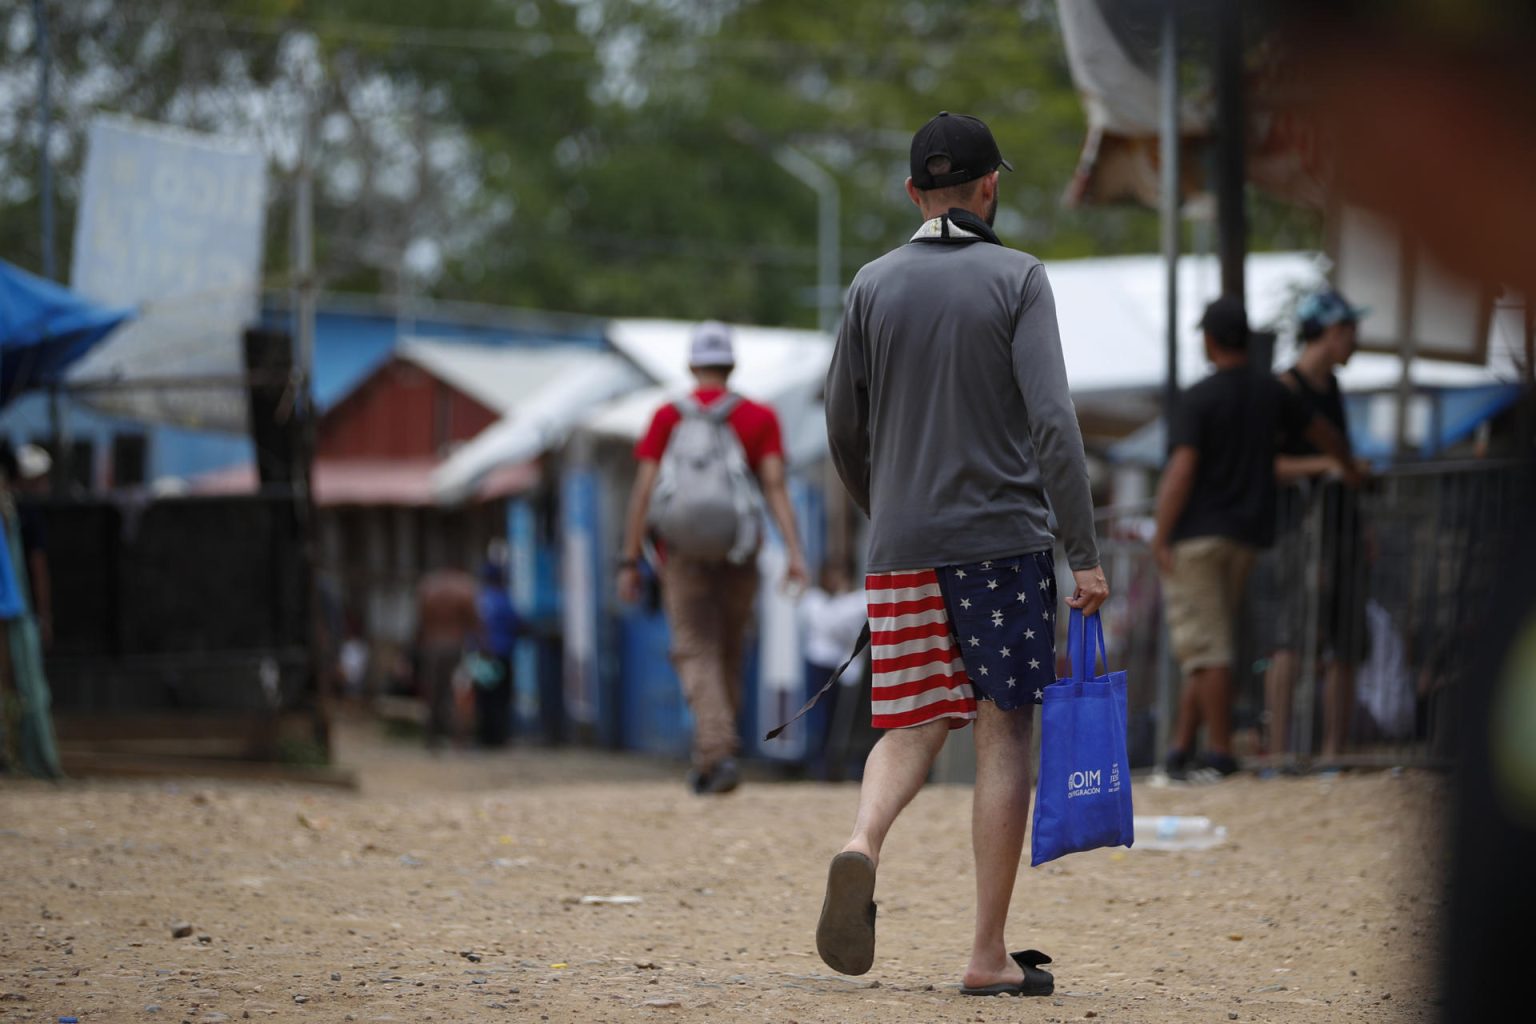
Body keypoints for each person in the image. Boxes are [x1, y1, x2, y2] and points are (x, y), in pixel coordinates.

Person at [819, 110, 1108, 995]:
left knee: (912, 720)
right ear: (991, 187)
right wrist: (1083, 552)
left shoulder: (869, 285)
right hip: (1002, 547)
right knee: (1003, 729)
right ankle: (986, 955)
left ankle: (860, 841)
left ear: (914, 194)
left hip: (900, 545)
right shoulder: (1018, 278)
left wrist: (888, 510)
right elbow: (1054, 423)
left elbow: (841, 422)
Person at [1151, 296, 1361, 781]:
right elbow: (1322, 429)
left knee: (1206, 647)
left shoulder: (1200, 396)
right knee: (1208, 640)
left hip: (1198, 536)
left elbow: (1181, 470)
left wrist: (1161, 533)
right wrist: (1346, 466)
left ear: (1209, 340)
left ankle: (1220, 754)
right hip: (1247, 535)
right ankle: (1181, 748)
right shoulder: (1272, 391)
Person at [616, 320, 808, 795]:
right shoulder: (759, 417)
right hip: (741, 551)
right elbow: (775, 486)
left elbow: (643, 491)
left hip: (681, 555)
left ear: (692, 365)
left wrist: (628, 560)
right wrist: (795, 552)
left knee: (694, 647)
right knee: (728, 649)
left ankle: (716, 752)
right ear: (731, 364)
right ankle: (714, 754)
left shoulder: (667, 416)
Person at [1262, 287, 1372, 762]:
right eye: (1350, 331)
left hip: (1341, 529)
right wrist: (1326, 469)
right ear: (1330, 332)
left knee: (1345, 640)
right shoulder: (1284, 389)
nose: (1355, 342)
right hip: (1299, 531)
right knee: (1291, 638)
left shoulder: (1334, 390)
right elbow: (1268, 465)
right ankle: (1281, 751)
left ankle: (1333, 753)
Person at [0, 442, 62, 778]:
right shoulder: (16, 512)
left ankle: (12, 753)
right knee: (12, 682)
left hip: (11, 606)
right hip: (11, 608)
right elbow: (37, 568)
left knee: (14, 683)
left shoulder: (17, 512)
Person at [796, 563, 868, 781]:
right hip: (819, 663)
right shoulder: (815, 600)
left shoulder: (848, 601)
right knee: (820, 715)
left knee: (838, 715)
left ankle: (833, 762)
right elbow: (830, 624)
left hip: (840, 665)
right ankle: (820, 763)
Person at [413, 566, 481, 751]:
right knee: (458, 693)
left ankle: (431, 737)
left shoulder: (428, 588)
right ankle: (458, 738)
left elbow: (420, 620)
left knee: (433, 692)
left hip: (432, 644)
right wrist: (483, 644)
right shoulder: (463, 589)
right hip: (455, 645)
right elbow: (473, 620)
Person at [473, 558, 518, 748]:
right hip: (501, 655)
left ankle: (485, 738)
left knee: (483, 698)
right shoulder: (503, 599)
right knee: (501, 697)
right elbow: (517, 623)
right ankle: (499, 738)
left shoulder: (478, 600)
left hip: (480, 657)